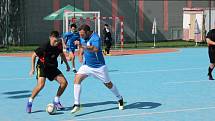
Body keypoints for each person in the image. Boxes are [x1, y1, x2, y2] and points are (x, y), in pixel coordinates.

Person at [70, 24, 124, 113]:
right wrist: (80, 54)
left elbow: (94, 49)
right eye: (80, 34)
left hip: (99, 67)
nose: (81, 36)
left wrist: (81, 46)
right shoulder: (83, 37)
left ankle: (120, 98)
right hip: (87, 65)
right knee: (77, 79)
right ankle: (77, 104)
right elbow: (82, 47)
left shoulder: (96, 38)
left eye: (82, 34)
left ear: (88, 32)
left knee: (108, 84)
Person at [26, 31, 70, 113]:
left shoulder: (59, 45)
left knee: (64, 83)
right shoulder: (44, 46)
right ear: (50, 38)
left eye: (57, 40)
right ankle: (30, 102)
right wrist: (32, 69)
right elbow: (33, 56)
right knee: (41, 85)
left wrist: (67, 64)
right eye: (55, 41)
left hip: (52, 67)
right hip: (42, 67)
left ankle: (56, 101)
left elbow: (62, 54)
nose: (56, 42)